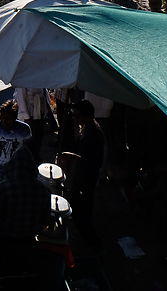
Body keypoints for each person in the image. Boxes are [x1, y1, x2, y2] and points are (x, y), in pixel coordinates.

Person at [0, 147, 51, 269]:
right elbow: (45, 220)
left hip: (4, 241)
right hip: (29, 243)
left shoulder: (5, 188)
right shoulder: (43, 190)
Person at [58, 100, 104, 248]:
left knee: (80, 212)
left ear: (86, 116)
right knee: (81, 210)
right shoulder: (87, 128)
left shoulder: (93, 134)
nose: (75, 119)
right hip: (83, 175)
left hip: (87, 177)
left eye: (77, 116)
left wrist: (67, 156)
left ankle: (93, 244)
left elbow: (87, 159)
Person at [0, 100, 32, 184]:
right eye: (2, 118)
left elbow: (29, 150)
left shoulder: (24, 129)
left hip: (16, 168)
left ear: (15, 118)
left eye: (8, 119)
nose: (4, 121)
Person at [14, 87, 51, 158]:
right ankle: (28, 157)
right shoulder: (22, 81)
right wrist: (27, 117)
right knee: (29, 138)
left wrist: (46, 110)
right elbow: (21, 99)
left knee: (39, 135)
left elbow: (44, 92)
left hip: (40, 110)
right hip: (29, 113)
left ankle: (36, 154)